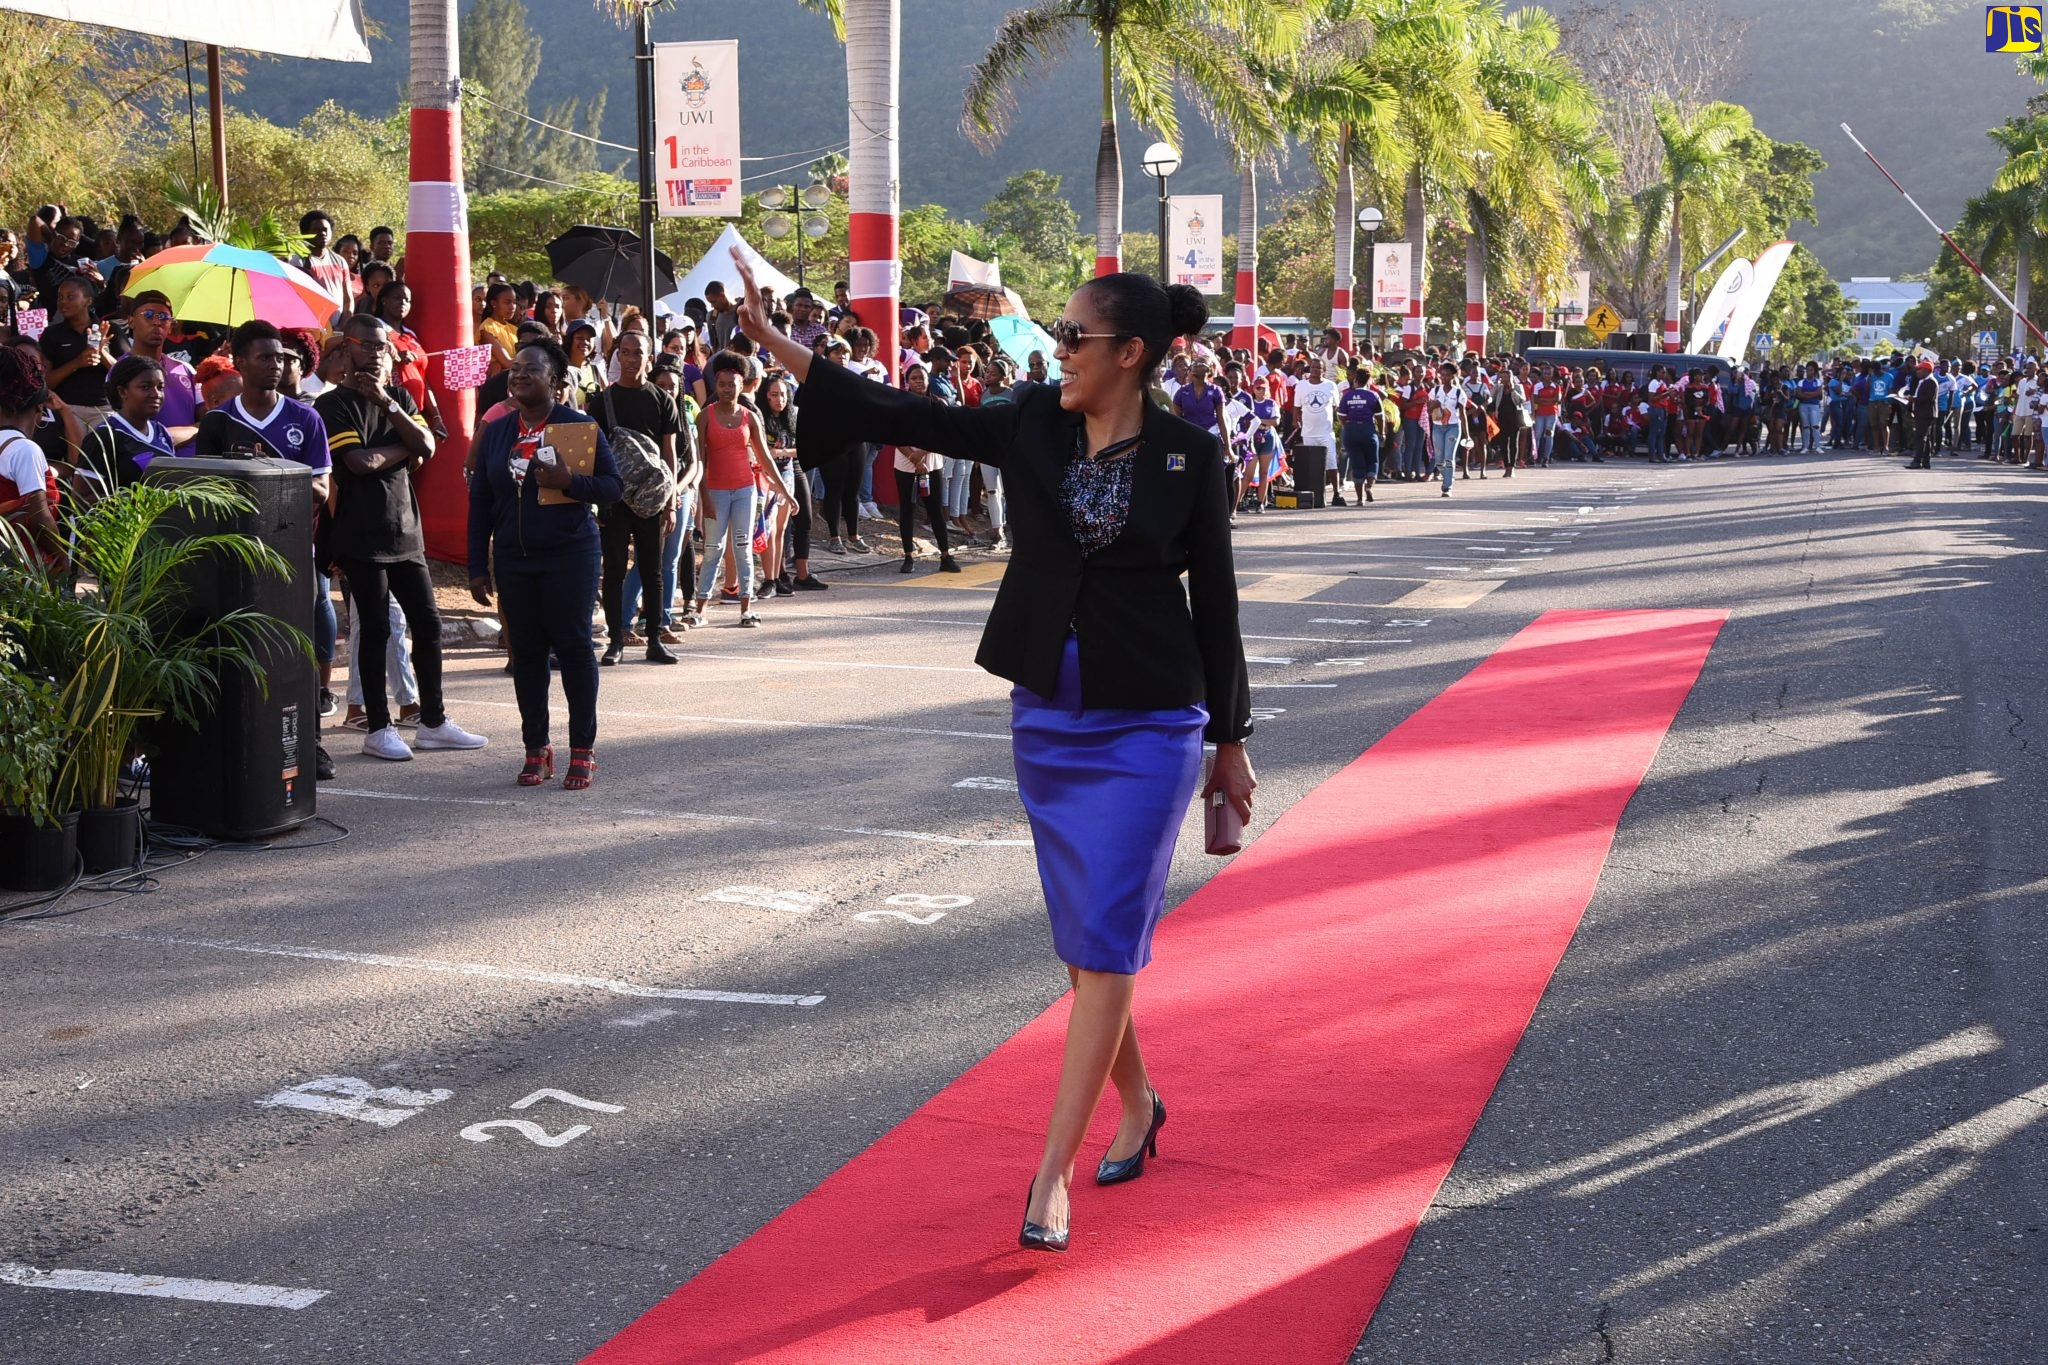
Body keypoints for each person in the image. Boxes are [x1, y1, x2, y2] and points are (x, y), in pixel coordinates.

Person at [736, 251, 1254, 1255]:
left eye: (1073, 335)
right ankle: (1139, 1102)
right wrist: (776, 345)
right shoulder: (1030, 422)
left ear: (1129, 352)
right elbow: (904, 414)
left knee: (1107, 937)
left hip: (1151, 719)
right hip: (1050, 714)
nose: (1056, 349)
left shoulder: (1190, 455)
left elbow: (1219, 606)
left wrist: (1228, 741)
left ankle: (1050, 1172)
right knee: (1084, 944)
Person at [316, 315, 486, 760]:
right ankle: (378, 727)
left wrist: (389, 407)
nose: (376, 353)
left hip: (406, 530)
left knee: (427, 625)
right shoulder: (332, 404)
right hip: (360, 534)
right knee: (374, 630)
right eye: (367, 345)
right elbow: (359, 463)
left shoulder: (400, 397)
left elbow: (428, 446)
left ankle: (433, 722)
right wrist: (405, 447)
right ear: (346, 349)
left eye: (383, 346)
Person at [467, 339, 621, 789]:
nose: (519, 374)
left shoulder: (579, 426)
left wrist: (570, 482)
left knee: (574, 649)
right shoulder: (497, 430)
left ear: (553, 381)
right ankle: (537, 748)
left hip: (570, 555)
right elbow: (480, 501)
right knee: (527, 653)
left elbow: (612, 487)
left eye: (531, 369)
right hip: (514, 559)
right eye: (515, 368)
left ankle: (583, 750)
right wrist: (477, 565)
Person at [592, 330, 682, 664]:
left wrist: (671, 502)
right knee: (614, 569)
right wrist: (597, 501)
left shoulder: (662, 399)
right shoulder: (603, 401)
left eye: (638, 353)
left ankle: (655, 639)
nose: (631, 359)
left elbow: (669, 454)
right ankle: (616, 639)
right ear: (618, 355)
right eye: (625, 352)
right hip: (614, 499)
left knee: (652, 569)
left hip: (652, 499)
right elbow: (593, 453)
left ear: (649, 357)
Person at [690, 352, 793, 624]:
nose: (726, 389)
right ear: (716, 386)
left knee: (743, 548)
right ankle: (700, 610)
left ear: (741, 385)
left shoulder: (750, 417)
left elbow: (765, 457)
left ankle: (746, 608)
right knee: (713, 549)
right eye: (721, 384)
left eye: (732, 385)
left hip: (745, 490)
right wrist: (704, 498)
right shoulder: (705, 416)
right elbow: (700, 461)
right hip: (715, 491)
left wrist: (785, 490)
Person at [0, 346, 67, 570]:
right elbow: (40, 518)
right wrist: (62, 559)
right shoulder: (24, 449)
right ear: (40, 408)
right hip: (22, 572)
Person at [891, 364, 962, 574]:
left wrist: (921, 454)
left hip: (931, 462)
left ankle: (945, 555)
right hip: (905, 463)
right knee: (907, 509)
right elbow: (895, 435)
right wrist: (913, 457)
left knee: (935, 509)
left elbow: (942, 434)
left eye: (921, 378)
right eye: (913, 378)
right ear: (907, 382)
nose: (918, 382)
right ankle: (908, 556)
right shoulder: (900, 404)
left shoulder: (937, 404)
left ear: (928, 380)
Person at [75, 354, 173, 500]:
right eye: (145, 387)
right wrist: (135, 501)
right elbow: (81, 498)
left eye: (160, 387)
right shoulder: (105, 436)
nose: (156, 394)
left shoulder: (161, 431)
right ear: (122, 391)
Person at [293, 211, 353, 325]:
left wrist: (343, 326)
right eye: (316, 230)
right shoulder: (299, 261)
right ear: (305, 234)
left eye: (325, 230)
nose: (322, 233)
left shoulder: (340, 261)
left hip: (339, 329)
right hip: (312, 327)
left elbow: (348, 300)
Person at [1336, 362, 1381, 505]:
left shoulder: (1347, 395)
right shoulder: (1373, 395)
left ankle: (1360, 499)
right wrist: (1382, 433)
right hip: (1368, 430)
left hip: (1351, 431)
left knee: (1357, 464)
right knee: (1373, 461)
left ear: (1355, 380)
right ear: (1368, 381)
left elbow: (1341, 416)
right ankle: (1369, 486)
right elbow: (1380, 417)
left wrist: (1347, 426)